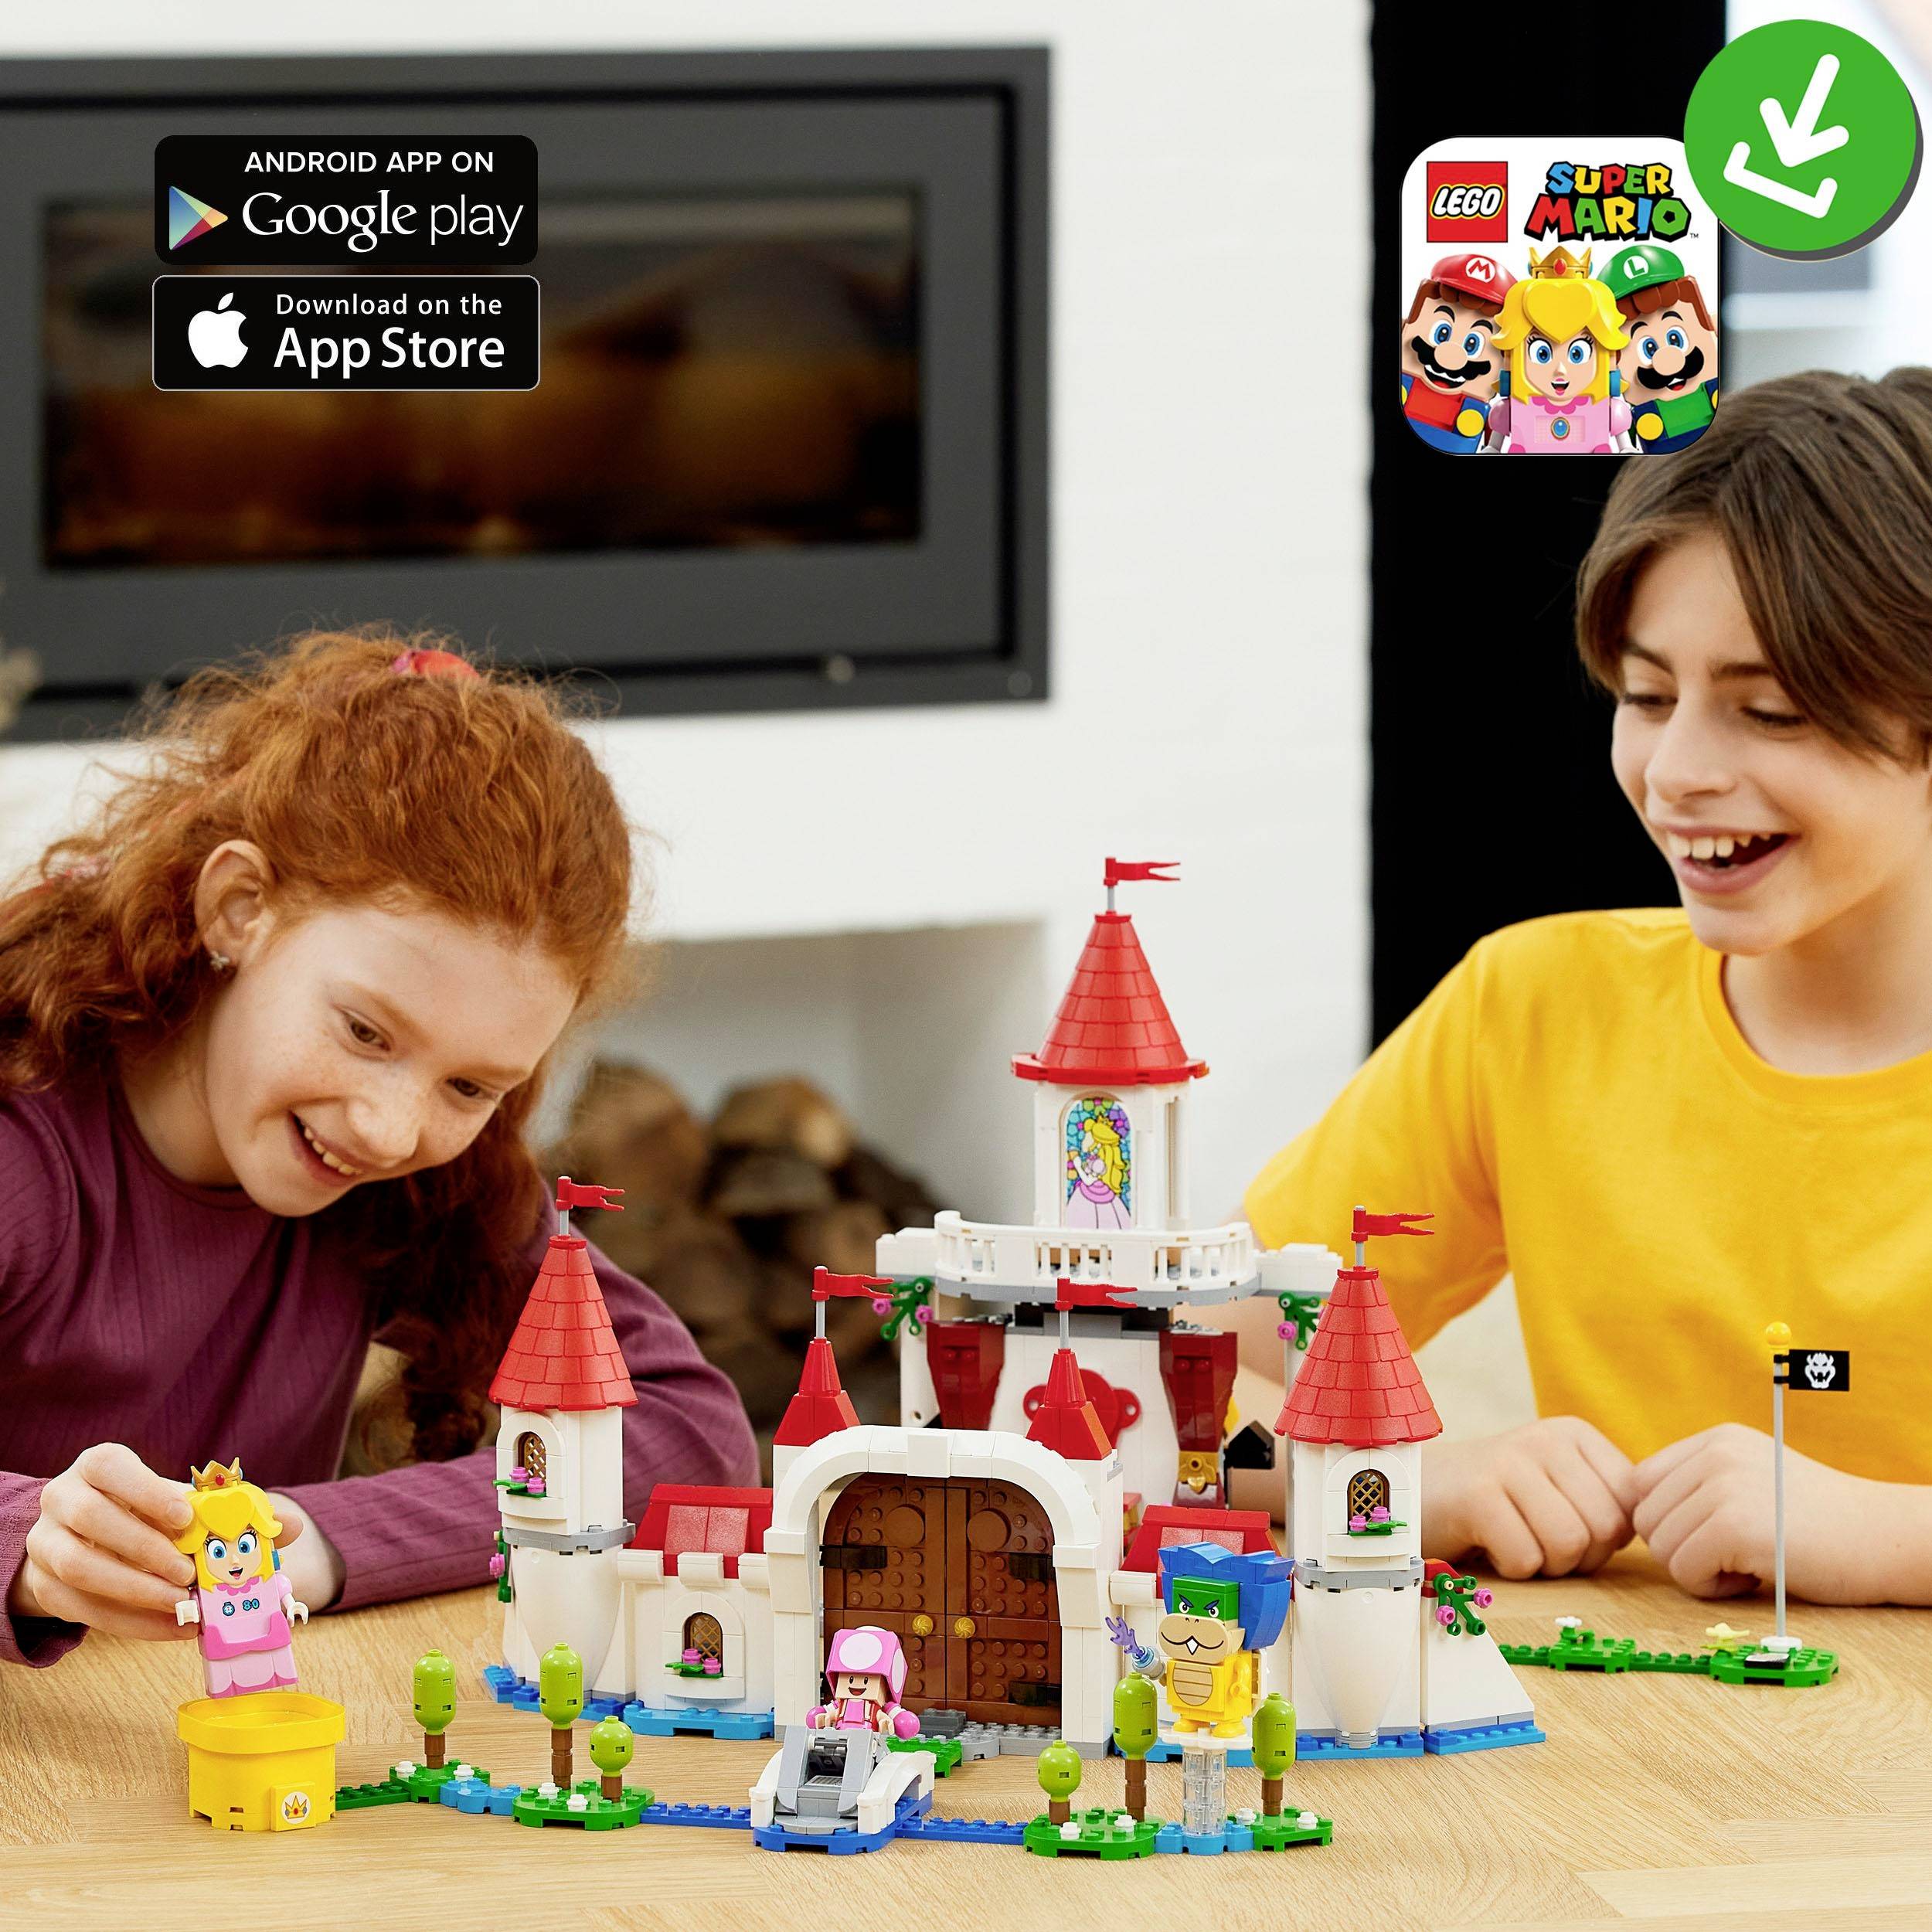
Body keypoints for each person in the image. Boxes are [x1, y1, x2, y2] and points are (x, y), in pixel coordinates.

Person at [1238, 369, 1932, 1607]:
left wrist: (1880, 1532)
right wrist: (1409, 1482)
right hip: (1617, 1768)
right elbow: (1164, 1394)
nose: (1675, 773)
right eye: (1647, 696)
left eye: (1768, 712)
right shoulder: (1535, 1010)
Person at [0, 632, 757, 1668]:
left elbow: (693, 1439)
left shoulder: (417, 1185)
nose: (391, 1129)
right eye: (364, 1031)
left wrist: (320, 1544)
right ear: (239, 909)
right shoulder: (25, 1140)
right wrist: (28, 1550)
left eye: (470, 1086)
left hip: (213, 1755)